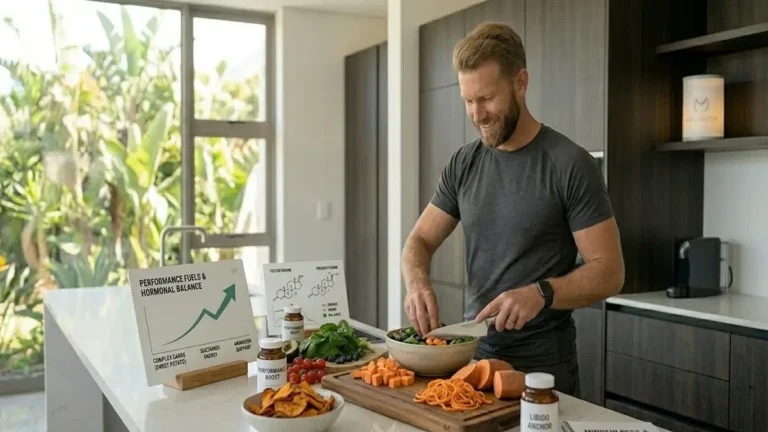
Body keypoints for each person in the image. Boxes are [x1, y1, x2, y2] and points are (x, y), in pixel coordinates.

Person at [400, 22, 625, 396]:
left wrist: (540, 293)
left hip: (543, 369)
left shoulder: (569, 164)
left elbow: (610, 272)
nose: (477, 114)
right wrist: (416, 282)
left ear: (520, 82)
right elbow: (419, 239)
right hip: (474, 360)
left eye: (487, 98)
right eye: (468, 101)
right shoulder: (463, 163)